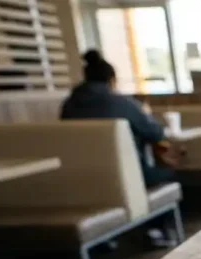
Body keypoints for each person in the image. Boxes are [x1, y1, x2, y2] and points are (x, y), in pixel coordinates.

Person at [61, 50, 175, 187]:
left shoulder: (68, 106)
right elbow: (156, 133)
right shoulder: (123, 104)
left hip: (82, 180)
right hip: (130, 178)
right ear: (112, 81)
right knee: (174, 174)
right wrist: (146, 113)